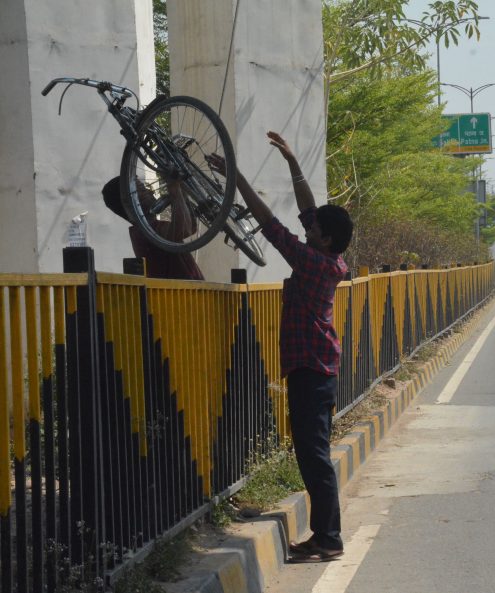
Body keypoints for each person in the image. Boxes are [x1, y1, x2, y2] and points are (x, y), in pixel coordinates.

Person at [209, 131, 353, 563]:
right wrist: (293, 162)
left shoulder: (313, 262)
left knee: (314, 456)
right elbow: (308, 209)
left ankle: (329, 537)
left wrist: (236, 180)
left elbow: (271, 226)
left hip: (311, 367)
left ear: (324, 240)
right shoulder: (331, 257)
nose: (306, 227)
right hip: (314, 366)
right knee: (312, 453)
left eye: (313, 228)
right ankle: (325, 535)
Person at [102, 177, 204, 280]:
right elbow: (184, 229)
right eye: (143, 190)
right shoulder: (146, 233)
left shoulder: (146, 229)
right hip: (185, 294)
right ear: (129, 203)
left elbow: (191, 227)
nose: (150, 192)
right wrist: (175, 191)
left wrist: (180, 193)